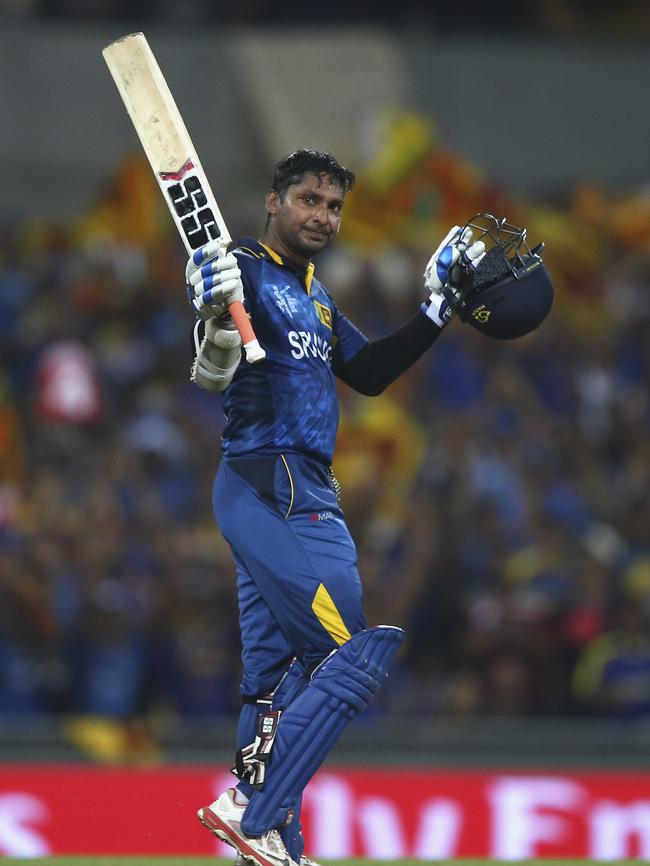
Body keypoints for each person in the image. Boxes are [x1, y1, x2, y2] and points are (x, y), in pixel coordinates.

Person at [187, 149, 492, 866]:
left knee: (270, 684)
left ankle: (270, 846)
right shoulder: (240, 265)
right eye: (309, 200)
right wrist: (210, 307)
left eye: (332, 205)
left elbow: (372, 374)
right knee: (348, 655)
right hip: (268, 482)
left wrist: (436, 312)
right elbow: (212, 356)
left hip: (306, 489)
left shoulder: (317, 296)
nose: (322, 215)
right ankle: (250, 809)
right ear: (273, 201)